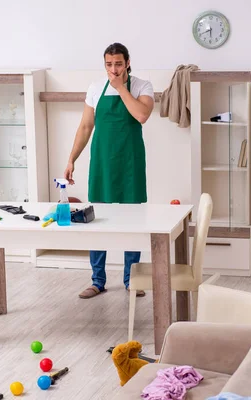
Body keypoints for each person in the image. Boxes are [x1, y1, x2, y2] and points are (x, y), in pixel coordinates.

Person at [64, 42, 155, 299]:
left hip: (130, 162)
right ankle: (97, 280)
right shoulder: (95, 89)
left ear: (127, 62)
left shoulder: (141, 86)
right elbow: (85, 127)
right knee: (97, 220)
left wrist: (121, 88)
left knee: (132, 220)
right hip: (103, 161)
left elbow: (141, 115)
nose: (113, 69)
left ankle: (131, 280)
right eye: (108, 64)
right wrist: (72, 159)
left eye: (118, 64)